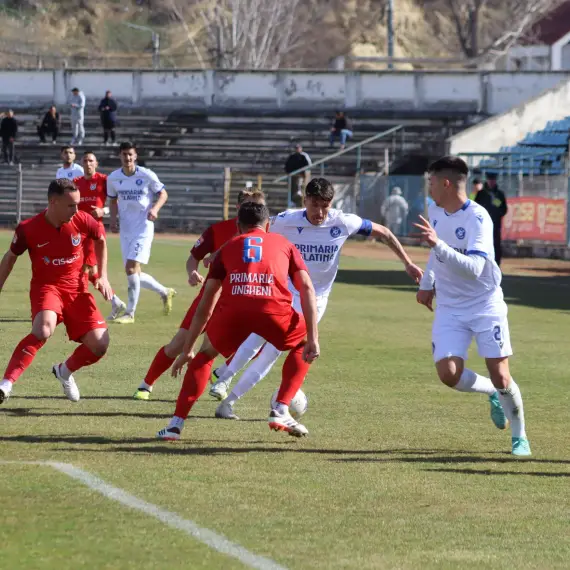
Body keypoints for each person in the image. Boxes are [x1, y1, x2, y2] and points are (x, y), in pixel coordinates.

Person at [210, 178, 424, 418]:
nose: (320, 212)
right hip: (283, 291)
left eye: (325, 205)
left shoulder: (342, 221)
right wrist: (219, 255)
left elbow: (384, 232)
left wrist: (408, 263)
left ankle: (228, 398)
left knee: (273, 351)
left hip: (315, 300)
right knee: (259, 337)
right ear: (305, 201)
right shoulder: (286, 220)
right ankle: (224, 381)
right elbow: (250, 235)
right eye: (315, 205)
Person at [156, 201, 320, 440]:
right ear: (267, 225)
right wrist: (314, 338)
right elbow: (306, 287)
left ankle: (175, 424)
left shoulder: (227, 247)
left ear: (239, 226)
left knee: (204, 356)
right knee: (303, 343)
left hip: (234, 311)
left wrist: (188, 349)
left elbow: (207, 301)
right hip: (273, 309)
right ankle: (281, 408)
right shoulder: (284, 244)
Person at [414, 156, 530, 457]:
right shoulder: (435, 209)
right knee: (448, 373)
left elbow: (476, 268)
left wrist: (438, 245)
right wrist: (427, 283)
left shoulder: (478, 218)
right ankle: (491, 393)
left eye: (431, 182)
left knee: (501, 375)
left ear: (446, 183)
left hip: (484, 305)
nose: (430, 187)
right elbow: (434, 253)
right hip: (450, 306)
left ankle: (520, 436)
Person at [132, 189, 266, 400]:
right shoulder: (217, 230)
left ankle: (218, 377)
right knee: (179, 344)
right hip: (210, 296)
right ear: (238, 209)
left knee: (256, 346)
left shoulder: (267, 234)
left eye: (259, 208)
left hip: (241, 300)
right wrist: (192, 272)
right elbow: (194, 258)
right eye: (249, 207)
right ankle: (146, 384)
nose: (255, 212)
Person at [0, 178, 113, 404]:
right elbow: (10, 258)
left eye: (77, 204)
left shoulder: (82, 220)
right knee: (43, 329)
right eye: (71, 205)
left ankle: (64, 371)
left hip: (77, 290)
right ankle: (6, 385)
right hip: (47, 287)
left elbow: (100, 239)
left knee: (100, 345)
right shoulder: (28, 228)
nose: (76, 209)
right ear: (53, 202)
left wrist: (103, 276)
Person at [107, 141, 175, 324]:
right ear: (120, 156)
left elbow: (163, 194)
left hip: (143, 228)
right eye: (124, 154)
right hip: (126, 230)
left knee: (130, 268)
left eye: (130, 154)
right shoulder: (113, 178)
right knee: (133, 272)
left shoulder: (146, 174)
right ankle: (164, 291)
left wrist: (155, 209)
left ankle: (130, 313)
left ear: (135, 156)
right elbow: (113, 201)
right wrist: (113, 220)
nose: (127, 158)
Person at [74, 151, 126, 319]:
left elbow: (117, 202)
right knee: (88, 272)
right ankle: (115, 301)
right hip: (79, 232)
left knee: (82, 269)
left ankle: (82, 308)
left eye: (91, 161)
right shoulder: (76, 183)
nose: (88, 163)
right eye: (85, 161)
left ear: (96, 164)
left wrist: (103, 210)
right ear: (82, 164)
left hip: (94, 231)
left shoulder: (104, 180)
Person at [474, 173, 507, 266]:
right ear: (487, 181)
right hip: (482, 225)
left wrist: (497, 214)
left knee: (496, 244)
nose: (491, 182)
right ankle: (482, 263)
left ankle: (496, 264)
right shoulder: (481, 194)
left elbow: (504, 209)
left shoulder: (499, 194)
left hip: (496, 225)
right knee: (482, 243)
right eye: (490, 180)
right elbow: (476, 207)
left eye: (493, 180)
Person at [284, 143, 312, 207]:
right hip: (293, 176)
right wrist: (289, 172)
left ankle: (302, 199)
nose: (297, 149)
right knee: (291, 188)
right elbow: (287, 165)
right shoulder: (292, 156)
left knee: (301, 187)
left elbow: (309, 165)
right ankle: (292, 201)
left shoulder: (304, 156)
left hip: (303, 175)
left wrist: (302, 172)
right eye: (296, 148)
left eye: (298, 148)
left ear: (301, 148)